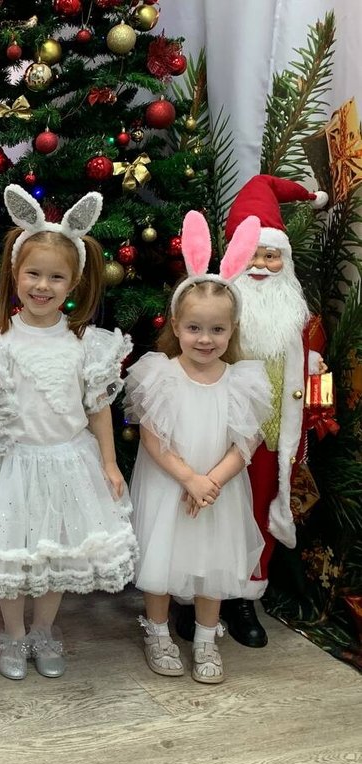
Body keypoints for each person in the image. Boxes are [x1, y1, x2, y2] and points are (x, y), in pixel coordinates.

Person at [0, 185, 135, 681]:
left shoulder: (87, 345)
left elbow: (99, 410)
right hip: (11, 465)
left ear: (74, 282)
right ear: (15, 274)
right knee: (12, 557)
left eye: (56, 277)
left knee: (55, 554)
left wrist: (109, 463)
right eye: (33, 274)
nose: (43, 286)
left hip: (68, 464)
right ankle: (14, 634)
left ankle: (43, 630)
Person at [177, 175, 330, 648]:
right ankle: (194, 595)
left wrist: (319, 399)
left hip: (269, 438)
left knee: (258, 513)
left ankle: (244, 596)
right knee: (206, 510)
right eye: (256, 255)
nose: (262, 265)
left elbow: (313, 373)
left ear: (286, 261)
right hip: (216, 433)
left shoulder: (299, 318)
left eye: (272, 256)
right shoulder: (220, 311)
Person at [128, 211, 272, 684]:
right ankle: (157, 631)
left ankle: (207, 639)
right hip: (170, 483)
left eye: (217, 330)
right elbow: (152, 437)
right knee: (161, 557)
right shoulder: (159, 375)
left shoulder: (242, 381)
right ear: (176, 324)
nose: (205, 339)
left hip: (217, 490)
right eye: (194, 328)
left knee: (214, 560)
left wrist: (211, 482)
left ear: (232, 330)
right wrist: (189, 478)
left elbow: (246, 441)